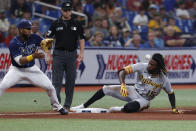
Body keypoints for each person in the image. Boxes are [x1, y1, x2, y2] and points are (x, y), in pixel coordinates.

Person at [71, 53, 183, 114]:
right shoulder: (142, 66)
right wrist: (123, 85)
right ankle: (83, 106)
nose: (149, 66)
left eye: (152, 64)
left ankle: (120, 109)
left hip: (144, 100)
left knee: (129, 108)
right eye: (149, 63)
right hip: (133, 90)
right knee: (106, 89)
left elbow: (170, 93)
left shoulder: (163, 79)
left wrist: (173, 108)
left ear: (158, 66)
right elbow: (122, 71)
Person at [0, 19, 68, 115]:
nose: (30, 30)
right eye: (27, 29)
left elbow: (46, 46)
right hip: (16, 70)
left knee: (50, 87)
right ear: (21, 30)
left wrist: (48, 42)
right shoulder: (13, 43)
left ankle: (57, 106)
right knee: (2, 86)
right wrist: (33, 56)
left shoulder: (34, 37)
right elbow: (20, 61)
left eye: (30, 28)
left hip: (31, 69)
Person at [46, 1, 85, 111]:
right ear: (61, 10)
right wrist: (48, 55)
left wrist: (82, 53)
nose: (68, 12)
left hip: (72, 55)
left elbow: (81, 39)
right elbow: (48, 39)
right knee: (56, 81)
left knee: (70, 80)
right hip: (58, 54)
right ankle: (56, 103)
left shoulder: (77, 23)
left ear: (71, 10)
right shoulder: (55, 23)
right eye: (65, 10)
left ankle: (67, 104)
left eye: (69, 10)